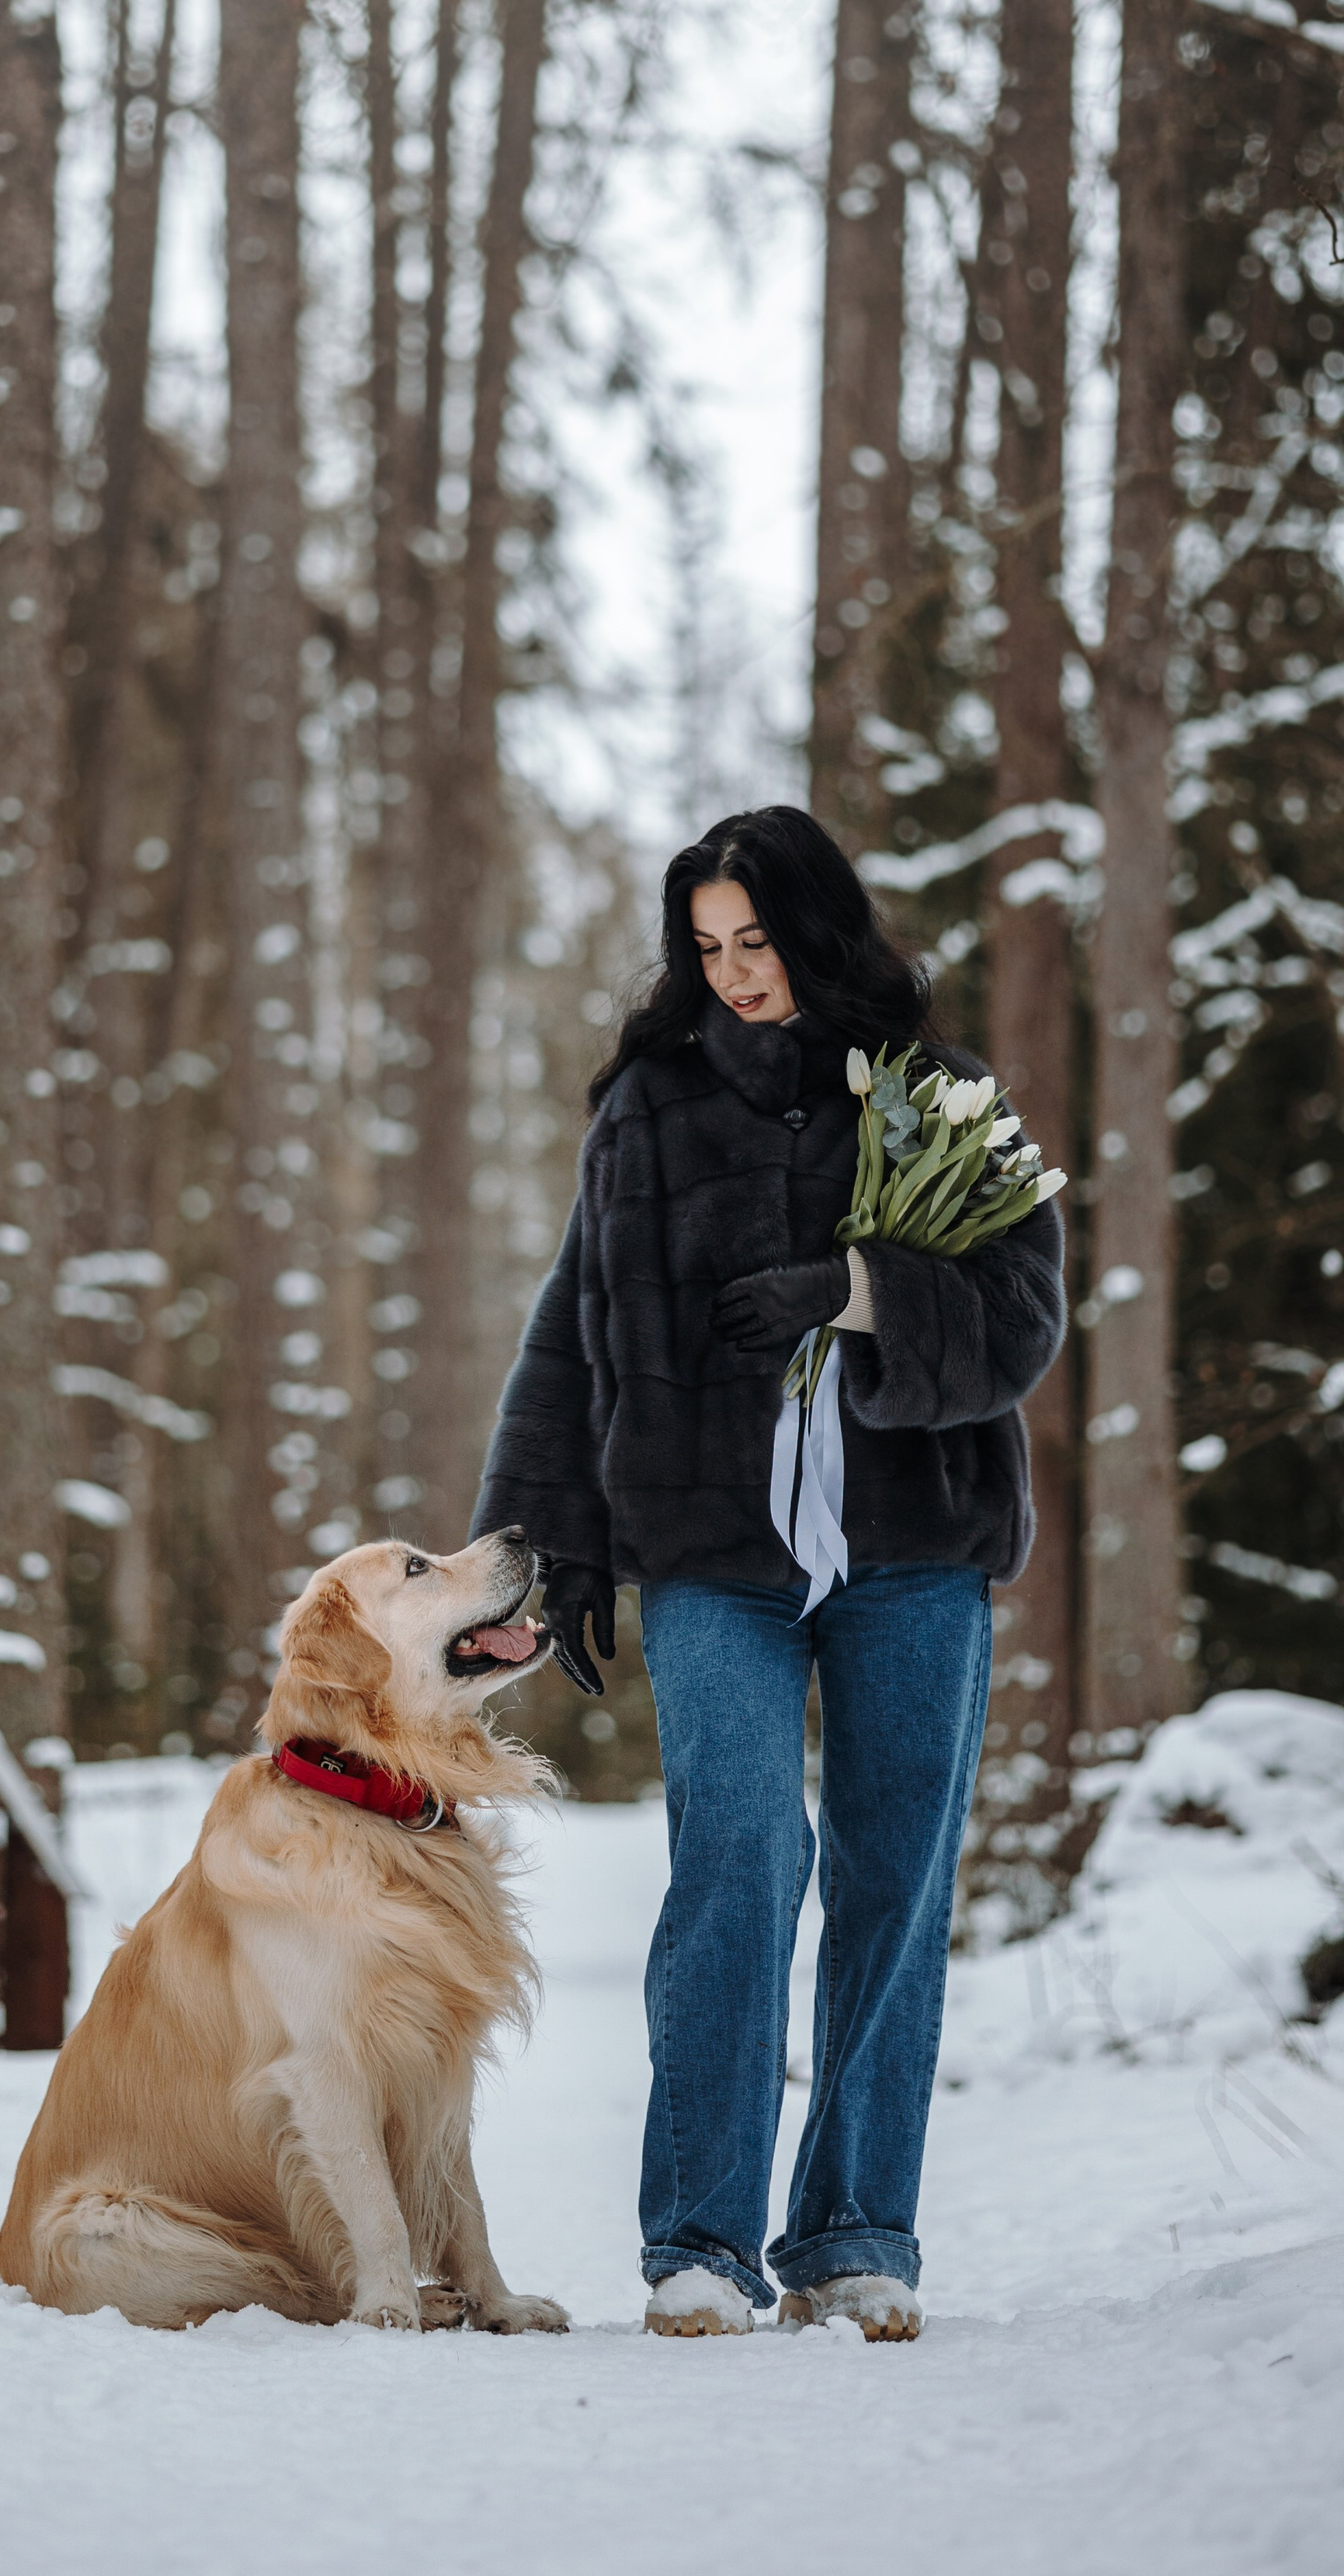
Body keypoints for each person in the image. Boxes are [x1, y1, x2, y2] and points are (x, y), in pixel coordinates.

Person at [470, 804, 1066, 2339]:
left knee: (890, 1882)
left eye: (757, 940)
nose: (733, 973)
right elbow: (570, 1331)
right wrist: (559, 1549)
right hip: (712, 1555)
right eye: (707, 947)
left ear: (821, 930)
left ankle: (856, 2235)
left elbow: (1018, 1323)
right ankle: (701, 2246)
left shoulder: (940, 1098)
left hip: (914, 1548)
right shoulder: (650, 1115)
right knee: (736, 1865)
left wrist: (857, 1291)